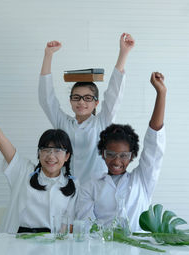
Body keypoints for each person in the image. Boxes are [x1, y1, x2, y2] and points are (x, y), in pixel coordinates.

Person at [0, 88, 77, 234]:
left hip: (51, 249)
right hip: (16, 244)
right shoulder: (24, 171)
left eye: (58, 151)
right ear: (39, 153)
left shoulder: (72, 186)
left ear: (67, 156)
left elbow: (67, 227)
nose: (51, 156)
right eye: (46, 150)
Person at [75, 72, 167, 232]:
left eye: (123, 155)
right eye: (111, 154)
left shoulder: (142, 181)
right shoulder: (89, 188)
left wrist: (161, 93)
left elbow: (154, 145)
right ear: (103, 154)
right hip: (102, 254)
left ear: (132, 156)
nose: (117, 161)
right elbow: (86, 227)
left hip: (138, 254)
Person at [39, 33, 135, 184]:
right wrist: (48, 55)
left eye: (88, 98)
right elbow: (47, 99)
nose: (81, 102)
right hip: (67, 190)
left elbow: (113, 95)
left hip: (96, 193)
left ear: (96, 103)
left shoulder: (102, 123)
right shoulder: (63, 124)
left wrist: (123, 53)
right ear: (70, 101)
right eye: (76, 97)